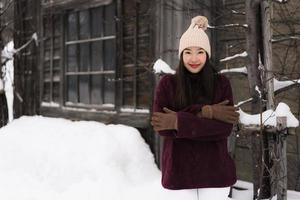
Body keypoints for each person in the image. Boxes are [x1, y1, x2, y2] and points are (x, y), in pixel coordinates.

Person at [151, 16, 240, 200]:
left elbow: (224, 128)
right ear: (181, 55)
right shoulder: (168, 84)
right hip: (179, 175)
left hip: (215, 174)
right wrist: (206, 113)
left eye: (200, 52)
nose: (193, 58)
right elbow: (161, 125)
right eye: (188, 52)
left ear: (207, 54)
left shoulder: (221, 83)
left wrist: (178, 121)